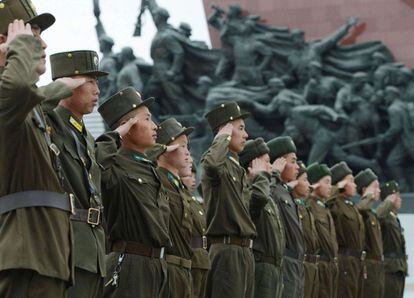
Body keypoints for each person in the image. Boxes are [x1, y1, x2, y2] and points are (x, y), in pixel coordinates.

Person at [0, 2, 85, 297]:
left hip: (45, 254)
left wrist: (61, 85)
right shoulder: (8, 96)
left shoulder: (24, 107)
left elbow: (33, 96)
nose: (43, 43)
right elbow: (19, 89)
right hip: (25, 256)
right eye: (33, 33)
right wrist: (18, 49)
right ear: (6, 43)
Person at [97, 87, 170, 298]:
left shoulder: (147, 167)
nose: (155, 126)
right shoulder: (116, 164)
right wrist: (115, 136)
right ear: (127, 127)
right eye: (147, 119)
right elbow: (94, 166)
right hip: (129, 265)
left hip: (157, 265)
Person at [47, 50, 108, 298]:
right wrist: (59, 88)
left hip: (93, 249)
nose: (97, 91)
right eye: (89, 82)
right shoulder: (48, 122)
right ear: (67, 84)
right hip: (67, 246)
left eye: (97, 83)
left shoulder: (85, 135)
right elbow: (26, 103)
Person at [202, 101, 269, 298]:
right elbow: (213, 166)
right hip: (227, 250)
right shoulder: (214, 160)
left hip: (243, 251)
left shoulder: (236, 169)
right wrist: (221, 138)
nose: (246, 135)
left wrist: (259, 177)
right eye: (240, 128)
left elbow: (254, 203)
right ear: (226, 130)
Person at [239, 138, 284, 298]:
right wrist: (260, 176)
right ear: (253, 165)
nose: (270, 167)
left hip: (274, 268)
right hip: (261, 268)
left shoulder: (265, 193)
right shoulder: (249, 192)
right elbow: (257, 200)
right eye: (266, 162)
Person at [155, 118, 194, 298]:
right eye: (183, 146)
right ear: (166, 149)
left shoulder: (178, 186)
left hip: (184, 270)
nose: (187, 153)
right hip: (168, 269)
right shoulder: (157, 180)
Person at [266, 136, 305, 298]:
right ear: (280, 163)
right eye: (293, 161)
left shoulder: (285, 191)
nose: (297, 167)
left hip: (296, 264)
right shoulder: (273, 189)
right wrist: (273, 173)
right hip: (285, 262)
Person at [327, 162, 366, 298]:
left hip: (356, 262)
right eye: (351, 181)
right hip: (345, 261)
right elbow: (326, 204)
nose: (355, 185)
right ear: (341, 183)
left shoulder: (351, 205)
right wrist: (336, 188)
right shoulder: (335, 203)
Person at [306, 163, 339, 298]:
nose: (330, 186)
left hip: (330, 266)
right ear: (315, 184)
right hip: (319, 265)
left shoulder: (323, 206)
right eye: (326, 182)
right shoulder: (309, 203)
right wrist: (309, 190)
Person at [182, 162, 211, 298]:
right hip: (191, 257)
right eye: (189, 175)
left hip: (202, 259)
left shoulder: (195, 202)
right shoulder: (183, 199)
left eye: (194, 175)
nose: (193, 180)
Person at [355, 169, 385, 298]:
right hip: (369, 266)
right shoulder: (362, 212)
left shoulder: (372, 213)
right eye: (375, 187)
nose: (378, 190)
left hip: (378, 267)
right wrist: (367, 196)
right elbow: (360, 209)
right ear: (364, 189)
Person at [292, 161, 319, 298]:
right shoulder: (291, 204)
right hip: (299, 264)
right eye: (304, 180)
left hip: (311, 266)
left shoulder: (304, 206)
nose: (309, 184)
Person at [377, 181, 407, 298]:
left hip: (398, 268)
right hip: (389, 269)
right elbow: (378, 214)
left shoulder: (394, 218)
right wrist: (388, 201)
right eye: (396, 196)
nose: (400, 199)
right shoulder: (385, 217)